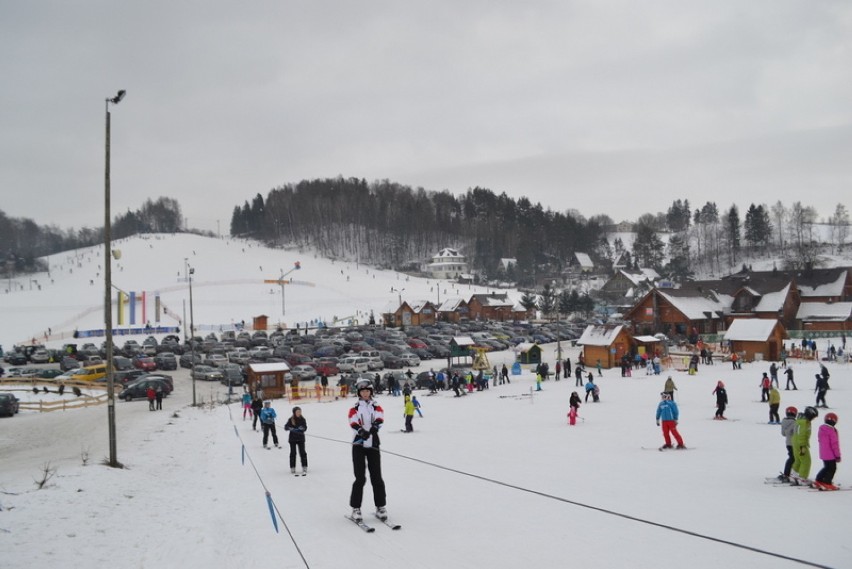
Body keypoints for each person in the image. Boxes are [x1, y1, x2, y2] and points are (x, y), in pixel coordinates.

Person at [348, 379, 387, 522]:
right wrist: (360, 430)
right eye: (363, 391)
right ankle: (356, 508)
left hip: (373, 445)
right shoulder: (355, 407)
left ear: (371, 392)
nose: (365, 393)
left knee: (376, 477)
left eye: (367, 391)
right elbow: (352, 421)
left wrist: (374, 427)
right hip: (358, 444)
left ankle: (380, 506)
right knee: (360, 478)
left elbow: (380, 417)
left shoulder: (376, 406)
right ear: (359, 393)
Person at [791, 406, 819, 484]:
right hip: (800, 444)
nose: (813, 419)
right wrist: (802, 446)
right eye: (813, 417)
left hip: (796, 442)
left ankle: (794, 475)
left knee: (798, 460)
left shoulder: (800, 420)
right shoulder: (804, 423)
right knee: (806, 461)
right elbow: (802, 434)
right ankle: (802, 478)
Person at [814, 412, 841, 490]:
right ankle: (827, 482)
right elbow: (834, 444)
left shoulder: (822, 429)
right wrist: (837, 455)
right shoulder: (832, 430)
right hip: (831, 454)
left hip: (823, 453)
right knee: (832, 468)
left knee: (826, 467)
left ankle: (819, 480)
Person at [284, 406, 308, 475]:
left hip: (301, 438)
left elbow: (305, 427)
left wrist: (302, 428)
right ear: (294, 413)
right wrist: (289, 428)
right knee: (293, 453)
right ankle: (292, 467)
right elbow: (286, 427)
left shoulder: (303, 419)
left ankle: (304, 466)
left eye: (300, 412)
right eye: (297, 412)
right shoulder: (290, 419)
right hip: (292, 439)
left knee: (303, 452)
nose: (299, 413)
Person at [778, 406, 798, 483]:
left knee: (792, 458)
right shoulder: (795, 422)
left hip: (788, 443)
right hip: (793, 443)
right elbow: (790, 432)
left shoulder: (784, 421)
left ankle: (789, 473)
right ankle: (787, 473)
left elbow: (783, 433)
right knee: (793, 458)